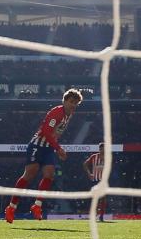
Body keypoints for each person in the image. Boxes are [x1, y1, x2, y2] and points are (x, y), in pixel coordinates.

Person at [5, 88, 83, 224]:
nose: (73, 105)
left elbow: (56, 132)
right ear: (64, 101)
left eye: (76, 103)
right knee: (29, 176)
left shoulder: (70, 114)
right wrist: (58, 148)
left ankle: (37, 206)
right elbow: (46, 132)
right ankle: (11, 207)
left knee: (50, 175)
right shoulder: (56, 113)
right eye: (71, 102)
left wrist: (55, 145)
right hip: (37, 146)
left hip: (48, 148)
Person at [83, 142, 107, 222]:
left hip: (103, 181)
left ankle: (101, 216)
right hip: (95, 180)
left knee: (103, 199)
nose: (102, 150)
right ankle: (94, 215)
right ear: (99, 149)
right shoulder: (94, 157)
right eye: (101, 148)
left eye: (104, 148)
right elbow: (85, 164)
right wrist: (89, 173)